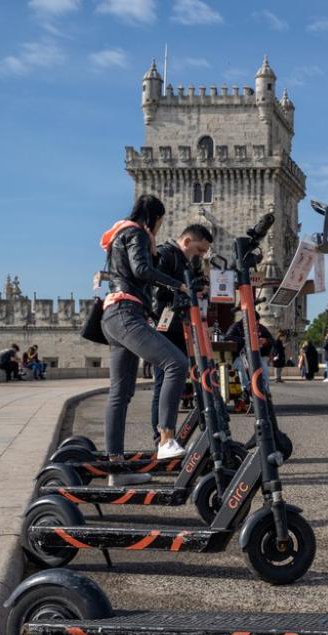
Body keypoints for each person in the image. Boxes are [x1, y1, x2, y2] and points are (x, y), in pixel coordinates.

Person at [100, 194, 190, 486]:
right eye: (160, 222)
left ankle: (116, 469)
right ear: (153, 217)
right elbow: (141, 270)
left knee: (120, 394)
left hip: (112, 315)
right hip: (126, 312)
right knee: (176, 362)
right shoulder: (136, 232)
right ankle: (165, 437)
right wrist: (178, 284)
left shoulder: (117, 235)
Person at [150, 223, 213, 440]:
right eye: (199, 250)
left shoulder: (187, 262)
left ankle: (170, 436)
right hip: (162, 325)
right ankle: (161, 438)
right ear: (187, 241)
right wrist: (183, 289)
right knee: (163, 382)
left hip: (179, 326)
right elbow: (156, 288)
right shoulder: (166, 255)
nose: (201, 255)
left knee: (175, 383)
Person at [225, 314, 274, 409]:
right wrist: (245, 340)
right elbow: (227, 337)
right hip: (239, 356)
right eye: (255, 323)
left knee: (264, 367)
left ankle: (265, 391)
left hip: (255, 356)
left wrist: (265, 341)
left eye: (257, 323)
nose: (257, 325)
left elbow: (272, 340)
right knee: (241, 365)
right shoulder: (236, 326)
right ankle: (247, 389)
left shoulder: (260, 328)